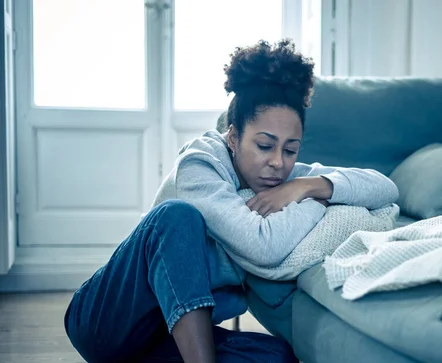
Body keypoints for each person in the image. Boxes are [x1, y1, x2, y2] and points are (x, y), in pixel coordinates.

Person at [64, 39, 399, 363]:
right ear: (234, 137)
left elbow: (385, 188)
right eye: (265, 146)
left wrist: (308, 186)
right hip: (104, 322)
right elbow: (262, 246)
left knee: (278, 357)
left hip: (165, 338)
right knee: (176, 216)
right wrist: (317, 202)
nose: (278, 163)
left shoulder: (290, 178)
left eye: (291, 149)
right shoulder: (199, 166)